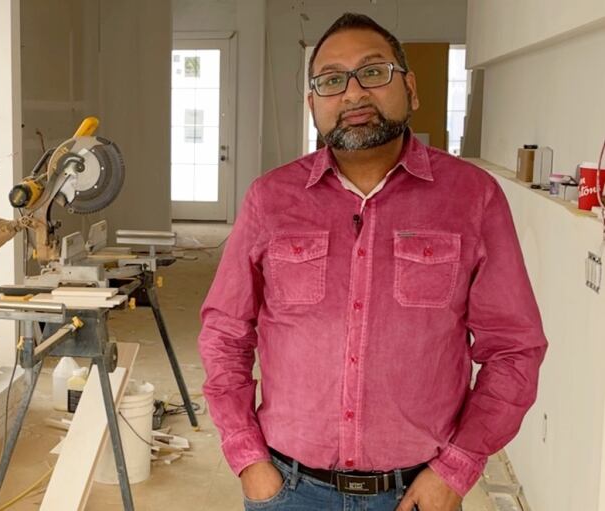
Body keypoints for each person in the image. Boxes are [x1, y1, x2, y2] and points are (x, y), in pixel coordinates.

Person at [198, 12, 547, 511]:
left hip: (417, 493)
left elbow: (515, 348)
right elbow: (225, 334)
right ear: (313, 103)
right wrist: (247, 458)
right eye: (332, 80)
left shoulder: (473, 199)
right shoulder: (269, 200)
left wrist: (457, 468)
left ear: (411, 88)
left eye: (374, 72)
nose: (354, 93)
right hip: (289, 490)